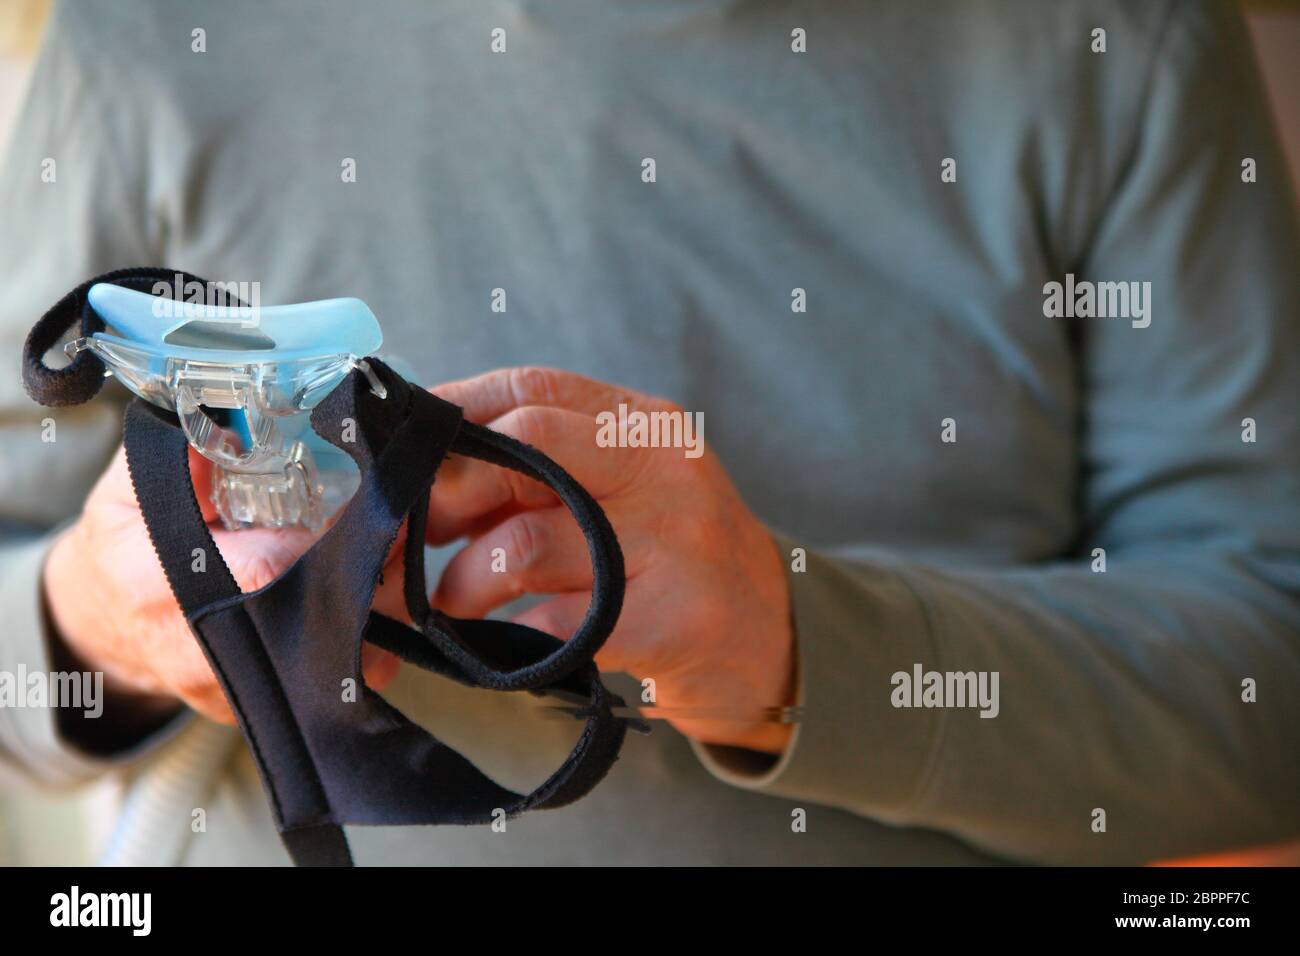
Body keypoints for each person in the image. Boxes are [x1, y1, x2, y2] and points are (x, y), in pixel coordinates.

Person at [1, 0, 1296, 866]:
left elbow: (1270, 677)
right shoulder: (145, 40)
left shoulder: (1120, 41)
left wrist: (795, 646)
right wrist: (92, 620)